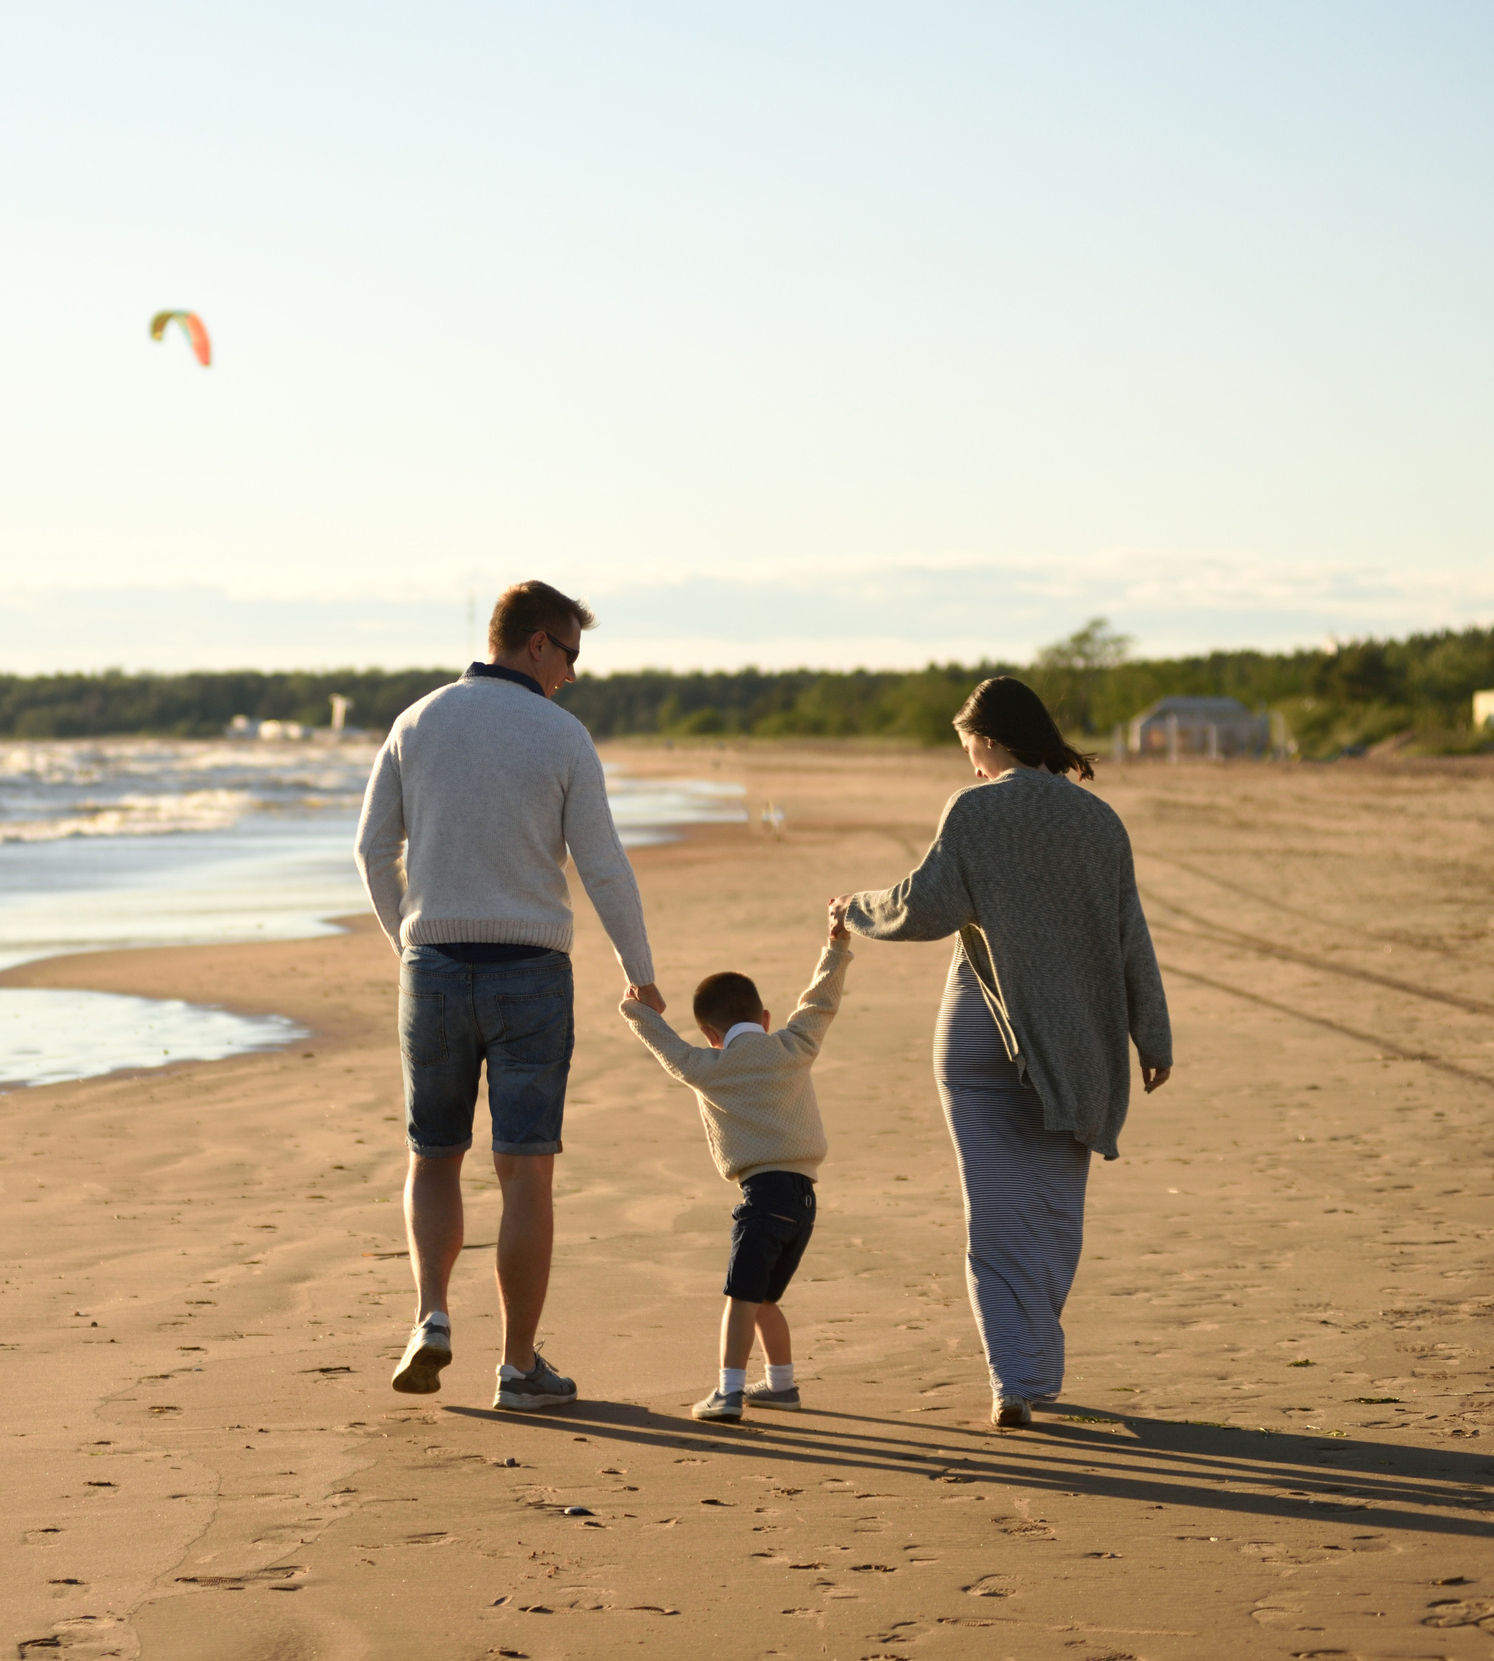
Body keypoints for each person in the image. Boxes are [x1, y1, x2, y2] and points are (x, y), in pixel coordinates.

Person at [832, 676, 1174, 1430]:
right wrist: (1153, 1034)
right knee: (1052, 1210)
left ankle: (1014, 1381)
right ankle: (1030, 1366)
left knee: (992, 1215)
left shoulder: (974, 809)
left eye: (969, 751)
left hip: (979, 1040)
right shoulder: (1098, 820)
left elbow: (925, 906)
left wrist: (854, 908)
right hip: (1079, 1042)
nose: (971, 767)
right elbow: (1130, 935)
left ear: (986, 737)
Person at [355, 580, 660, 1411]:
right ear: (533, 643)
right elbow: (602, 864)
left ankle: (431, 1315)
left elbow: (371, 848)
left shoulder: (416, 721)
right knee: (526, 1172)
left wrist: (407, 938)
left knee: (433, 1151)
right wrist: (640, 967)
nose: (572, 674)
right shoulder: (561, 734)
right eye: (570, 655)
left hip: (436, 966)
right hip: (531, 969)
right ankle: (519, 1366)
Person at [620, 907, 851, 1422]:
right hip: (805, 1200)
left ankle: (727, 1392)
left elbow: (662, 1043)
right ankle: (782, 1385)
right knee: (765, 1296)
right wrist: (835, 947)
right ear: (765, 1019)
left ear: (708, 1032)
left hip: (763, 1197)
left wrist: (638, 1005)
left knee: (742, 1298)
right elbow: (820, 1001)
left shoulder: (707, 1066)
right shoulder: (794, 1046)